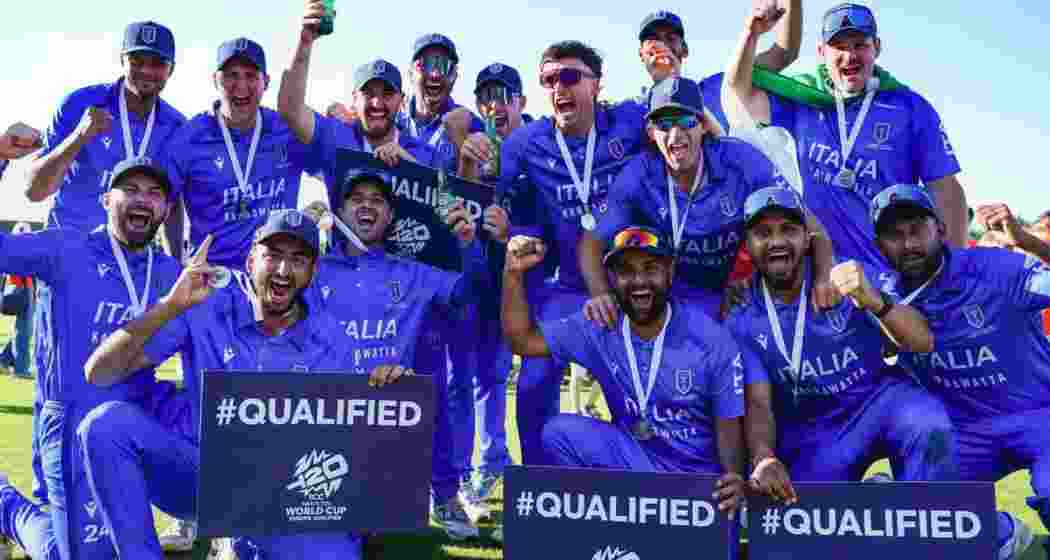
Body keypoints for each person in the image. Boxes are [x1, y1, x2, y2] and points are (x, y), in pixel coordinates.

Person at [78, 209, 411, 560]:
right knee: (105, 426)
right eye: (273, 256)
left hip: (279, 494)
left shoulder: (333, 340)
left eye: (298, 260)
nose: (283, 270)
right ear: (251, 259)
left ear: (313, 272)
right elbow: (100, 372)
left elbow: (348, 448)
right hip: (199, 473)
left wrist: (387, 391)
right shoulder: (204, 305)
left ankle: (240, 542)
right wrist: (168, 306)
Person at [502, 226, 749, 558]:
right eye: (626, 271)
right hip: (637, 464)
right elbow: (522, 341)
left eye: (651, 269)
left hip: (696, 481)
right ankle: (601, 533)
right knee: (559, 432)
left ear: (670, 271)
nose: (639, 281)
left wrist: (733, 476)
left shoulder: (710, 338)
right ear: (611, 278)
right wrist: (514, 274)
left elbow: (729, 422)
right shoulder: (598, 325)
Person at [0, 157, 183, 560]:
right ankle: (6, 507)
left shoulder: (173, 274)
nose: (143, 200)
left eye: (154, 194)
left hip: (134, 427)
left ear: (166, 211)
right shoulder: (65, 247)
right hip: (70, 422)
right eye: (130, 190)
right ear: (105, 200)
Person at [725, 187, 954, 497]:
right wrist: (763, 456)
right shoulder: (741, 317)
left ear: (808, 239)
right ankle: (879, 497)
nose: (777, 242)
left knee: (929, 425)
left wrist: (874, 301)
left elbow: (922, 341)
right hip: (815, 432)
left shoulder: (848, 275)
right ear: (748, 245)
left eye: (789, 230)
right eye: (763, 233)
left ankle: (965, 531)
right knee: (809, 518)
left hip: (877, 403)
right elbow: (759, 403)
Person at [303, 169, 487, 539]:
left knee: (430, 388)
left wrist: (469, 243)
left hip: (391, 425)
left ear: (389, 217)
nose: (367, 207)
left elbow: (468, 292)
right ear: (340, 210)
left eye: (377, 201)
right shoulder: (313, 270)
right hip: (328, 422)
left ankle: (445, 496)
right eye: (357, 199)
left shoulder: (413, 273)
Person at [871, 184, 1050, 560]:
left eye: (917, 230)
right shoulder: (880, 298)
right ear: (879, 245)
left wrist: (1029, 242)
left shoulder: (998, 269)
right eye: (895, 235)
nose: (908, 244)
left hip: (1040, 415)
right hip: (964, 431)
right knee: (914, 521)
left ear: (941, 229)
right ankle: (1004, 534)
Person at [723, 2, 968, 271]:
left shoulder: (910, 108)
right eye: (839, 46)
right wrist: (751, 33)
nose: (850, 56)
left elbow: (946, 189)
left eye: (859, 44)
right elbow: (739, 86)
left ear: (877, 47)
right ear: (821, 52)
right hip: (815, 275)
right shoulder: (800, 98)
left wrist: (955, 268)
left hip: (887, 276)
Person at [497, 39, 649, 467]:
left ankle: (650, 487)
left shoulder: (630, 122)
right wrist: (510, 232)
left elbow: (684, 129)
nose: (558, 88)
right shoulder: (524, 144)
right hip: (565, 291)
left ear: (597, 84)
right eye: (549, 80)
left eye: (569, 77)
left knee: (636, 393)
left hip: (628, 289)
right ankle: (537, 489)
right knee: (534, 379)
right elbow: (502, 207)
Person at [578, 76, 836, 322]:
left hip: (744, 285)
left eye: (686, 121)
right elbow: (591, 241)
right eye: (664, 125)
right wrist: (601, 293)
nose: (675, 134)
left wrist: (824, 278)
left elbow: (814, 230)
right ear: (650, 132)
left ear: (702, 124)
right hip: (673, 291)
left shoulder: (741, 160)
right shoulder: (637, 175)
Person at [448, 61, 536, 523]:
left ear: (522, 101)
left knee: (513, 377)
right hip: (479, 282)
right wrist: (465, 162)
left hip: (531, 282)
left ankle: (510, 469)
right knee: (470, 377)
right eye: (486, 97)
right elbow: (450, 204)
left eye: (505, 96)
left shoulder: (539, 144)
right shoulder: (475, 146)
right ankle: (472, 473)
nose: (494, 106)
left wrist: (512, 233)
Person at [164, 37, 323, 268]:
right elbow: (164, 206)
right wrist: (175, 266)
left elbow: (336, 172)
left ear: (266, 82)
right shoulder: (188, 138)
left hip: (275, 275)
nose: (241, 86)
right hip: (213, 279)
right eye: (231, 75)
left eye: (251, 76)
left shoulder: (288, 130)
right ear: (215, 80)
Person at [634, 2, 801, 130]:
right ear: (641, 54)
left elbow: (784, 53)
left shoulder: (721, 87)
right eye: (654, 40)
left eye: (670, 39)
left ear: (684, 50)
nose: (662, 46)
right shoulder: (633, 113)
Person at [396, 32, 483, 160]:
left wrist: (461, 142)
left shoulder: (472, 125)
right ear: (410, 74)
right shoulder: (392, 121)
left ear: (454, 76)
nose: (435, 74)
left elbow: (487, 177)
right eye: (425, 64)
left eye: (444, 66)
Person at [0, 222, 37, 378]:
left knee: (22, 331)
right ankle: (21, 369)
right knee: (24, 332)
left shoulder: (11, 248)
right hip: (22, 290)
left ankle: (3, 360)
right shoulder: (22, 250)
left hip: (19, 289)